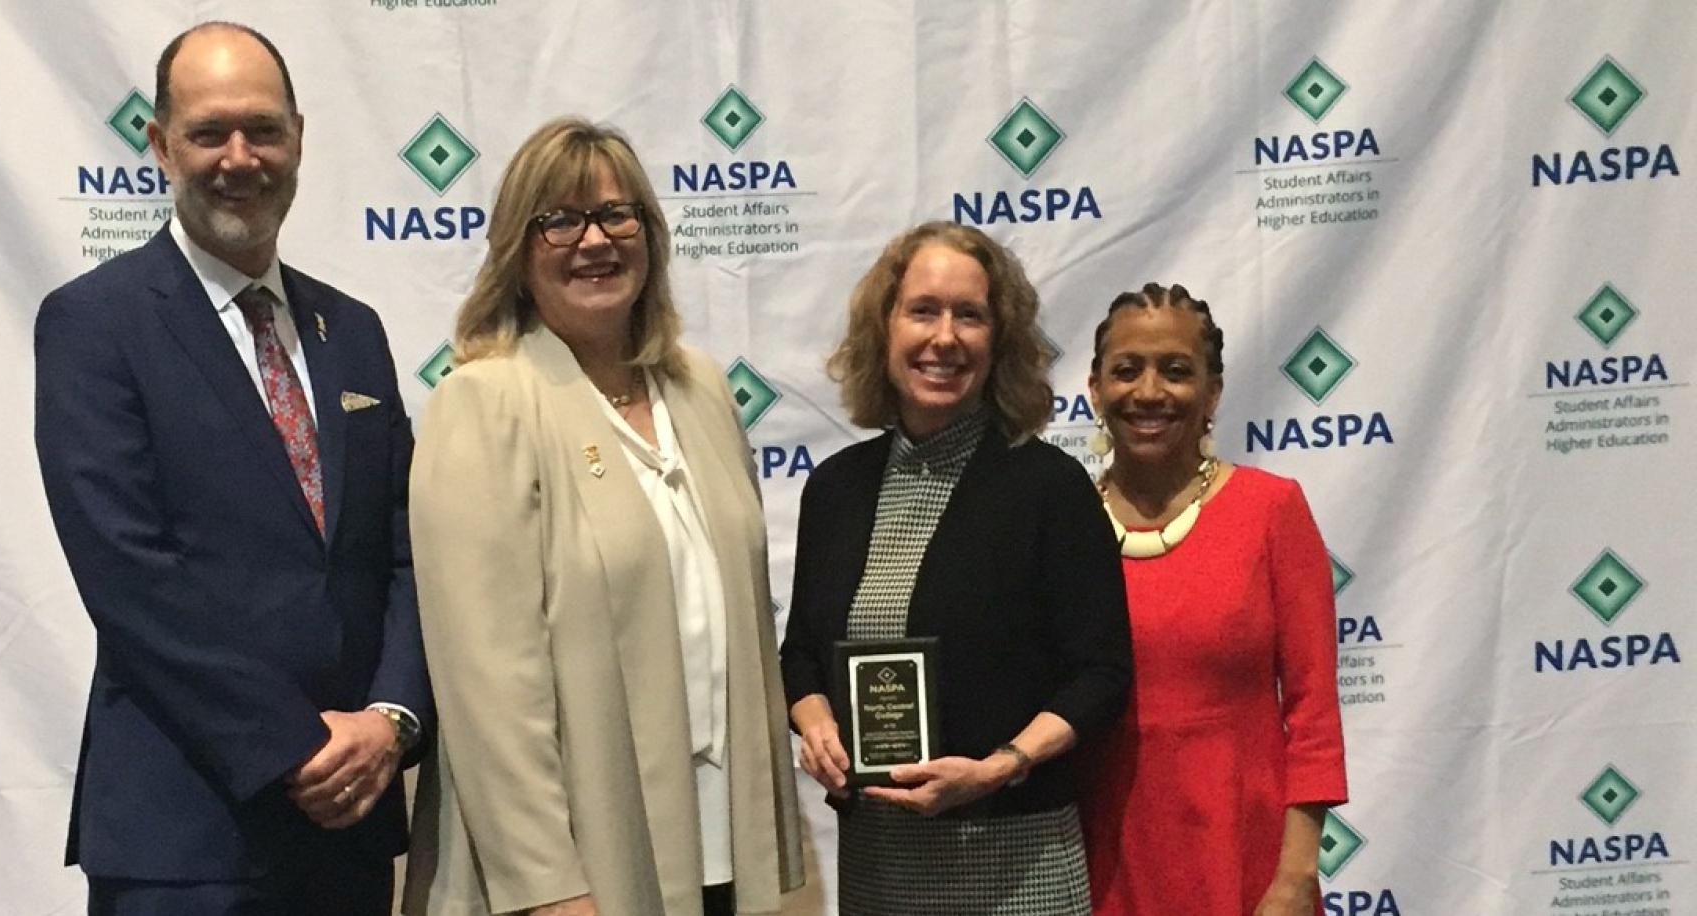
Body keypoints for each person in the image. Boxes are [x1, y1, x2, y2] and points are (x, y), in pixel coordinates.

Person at [34, 22, 432, 915]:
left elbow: (407, 551)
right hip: (185, 839)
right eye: (210, 133)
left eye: (264, 129)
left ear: (299, 136)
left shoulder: (354, 331)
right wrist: (293, 746)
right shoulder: (94, 326)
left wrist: (391, 723)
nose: (239, 158)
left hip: (352, 827)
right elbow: (129, 575)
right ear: (160, 144)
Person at [405, 117, 804, 916]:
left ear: (651, 236)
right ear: (518, 251)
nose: (594, 240)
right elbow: (488, 687)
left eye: (618, 215)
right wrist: (549, 887)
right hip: (579, 875)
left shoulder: (699, 388)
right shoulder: (484, 403)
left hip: (721, 846)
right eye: (559, 219)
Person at [780, 222, 1132, 915]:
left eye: (969, 315)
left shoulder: (1048, 487)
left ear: (998, 342)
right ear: (884, 330)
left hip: (1019, 865)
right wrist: (814, 723)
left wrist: (1001, 766)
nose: (944, 337)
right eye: (923, 311)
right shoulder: (836, 489)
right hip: (882, 864)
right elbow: (801, 655)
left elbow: (1103, 675)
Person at [1078, 283, 1347, 916]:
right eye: (1126, 370)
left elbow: (1314, 715)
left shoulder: (1270, 510)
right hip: (1101, 865)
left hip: (1248, 864)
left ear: (1213, 393)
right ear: (1094, 390)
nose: (1149, 392)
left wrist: (1293, 879)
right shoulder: (1065, 525)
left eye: (1176, 371)